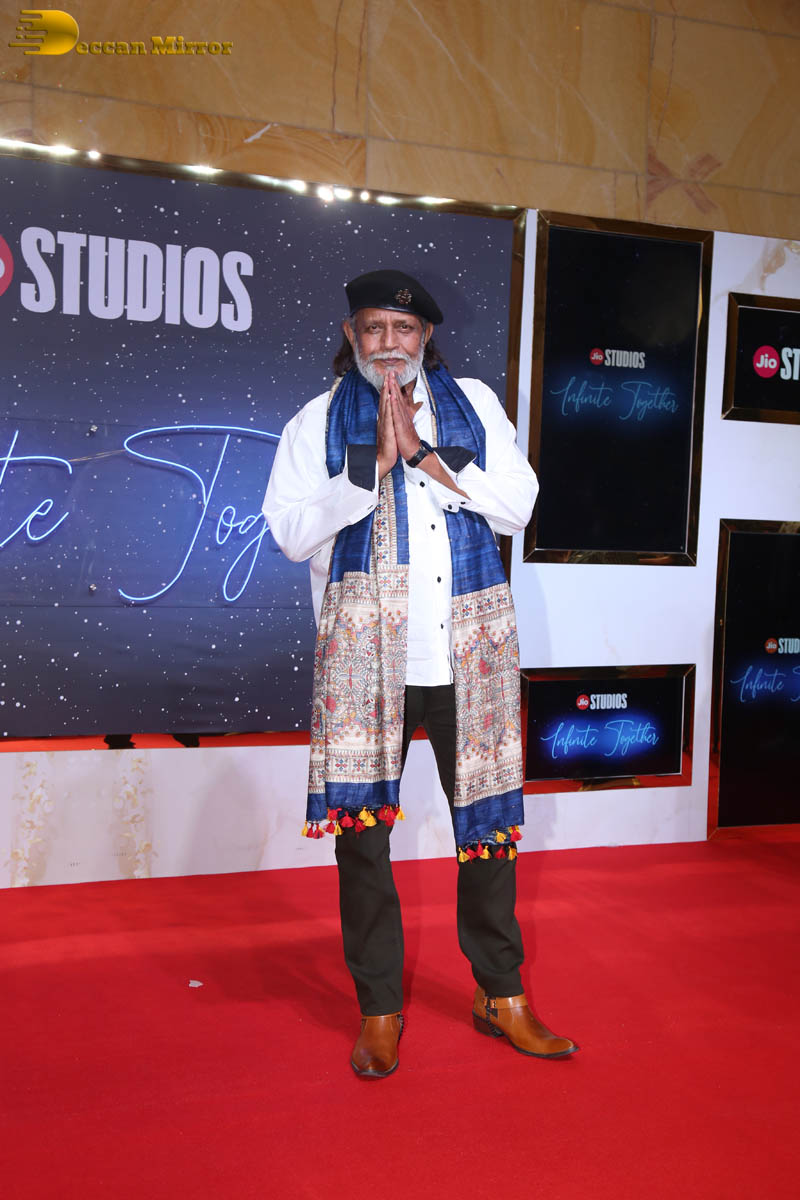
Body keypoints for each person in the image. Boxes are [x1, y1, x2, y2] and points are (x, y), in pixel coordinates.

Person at [263, 268, 577, 1078]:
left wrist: (425, 458)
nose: (389, 345)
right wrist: (370, 467)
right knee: (363, 841)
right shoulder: (315, 421)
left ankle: (500, 994)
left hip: (467, 653)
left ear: (425, 336)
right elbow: (290, 534)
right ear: (351, 337)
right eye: (373, 329)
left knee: (490, 834)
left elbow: (517, 506)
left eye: (403, 330)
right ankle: (379, 1008)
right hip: (367, 664)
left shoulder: (474, 403)